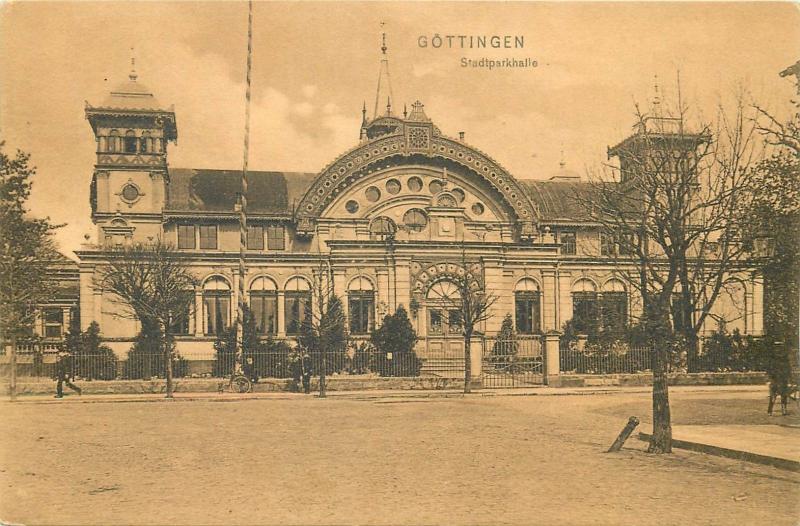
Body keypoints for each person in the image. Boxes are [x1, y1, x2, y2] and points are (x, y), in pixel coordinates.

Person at [766, 341, 792, 416]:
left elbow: (769, 369)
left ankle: (770, 411)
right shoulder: (784, 357)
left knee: (775, 395)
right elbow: (788, 369)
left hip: (777, 379)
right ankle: (781, 410)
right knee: (780, 395)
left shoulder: (773, 358)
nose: (778, 349)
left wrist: (769, 378)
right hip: (780, 379)